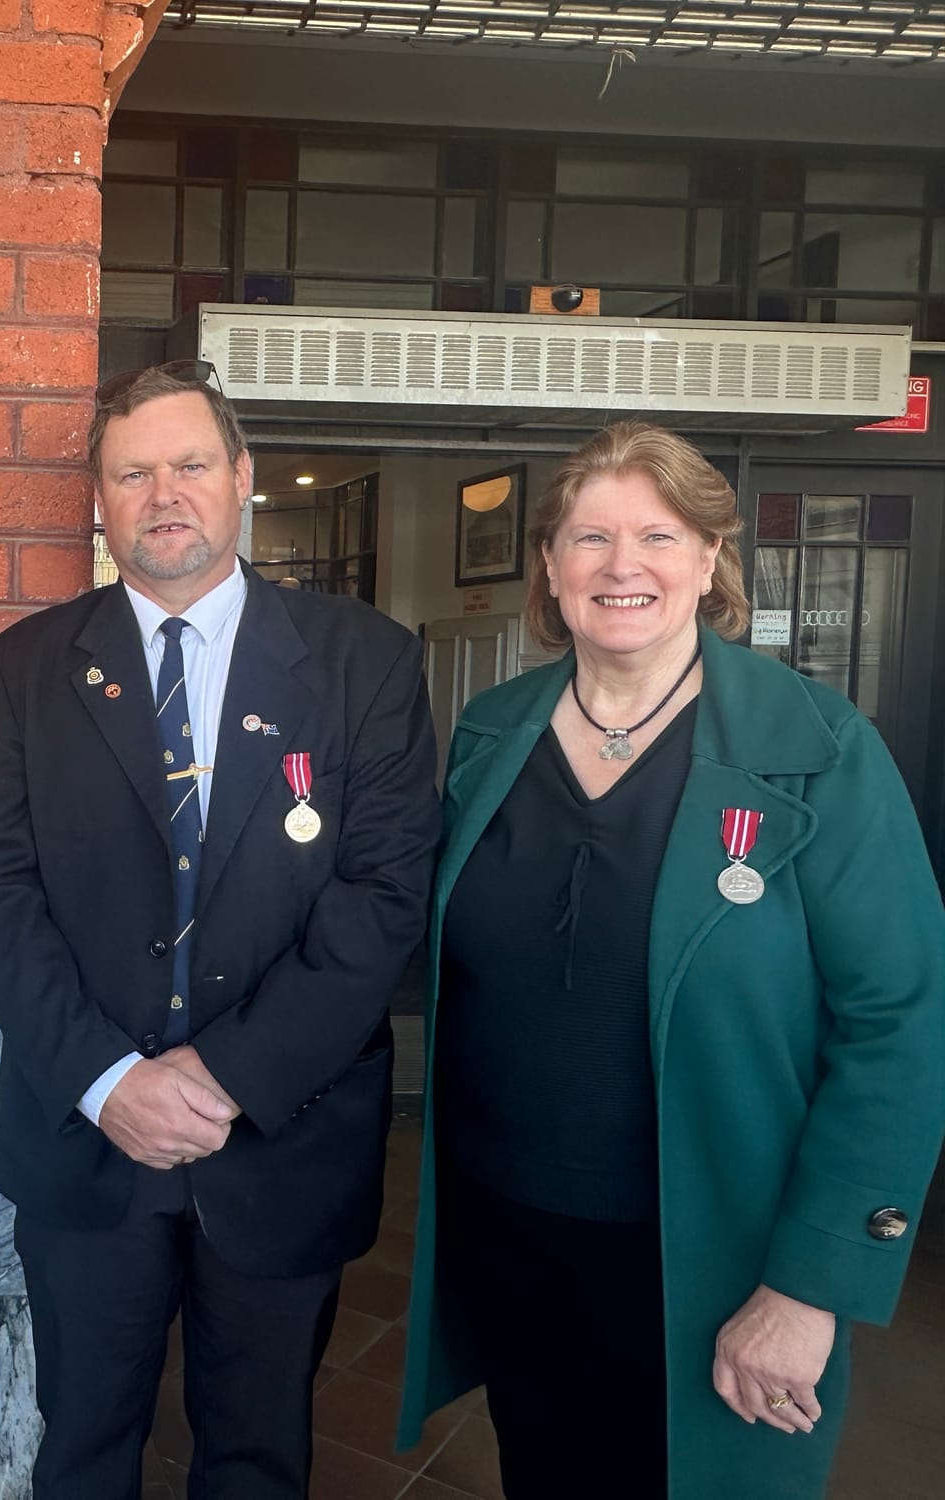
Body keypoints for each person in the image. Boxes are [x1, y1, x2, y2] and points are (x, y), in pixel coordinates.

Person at [397, 421, 945, 1499]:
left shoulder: (816, 749)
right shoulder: (489, 733)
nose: (620, 565)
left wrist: (809, 1282)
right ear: (549, 569)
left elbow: (897, 1024)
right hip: (507, 1222)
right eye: (587, 537)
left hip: (707, 1243)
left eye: (656, 534)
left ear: (706, 561)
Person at [0, 361, 439, 1498]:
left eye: (188, 465)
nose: (162, 492)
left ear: (242, 480)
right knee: (79, 1449)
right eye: (132, 472)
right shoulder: (26, 667)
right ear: (98, 500)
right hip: (87, 1140)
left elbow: (381, 897)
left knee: (259, 1458)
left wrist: (221, 1077)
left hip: (280, 1141)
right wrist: (110, 1079)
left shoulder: (365, 662)